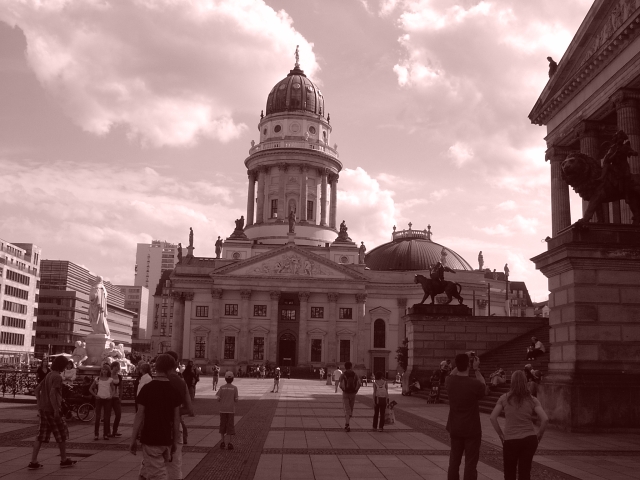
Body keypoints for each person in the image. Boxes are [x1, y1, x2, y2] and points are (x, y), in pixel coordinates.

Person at [130, 354, 182, 480]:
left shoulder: (147, 389)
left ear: (156, 368)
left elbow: (139, 415)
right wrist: (175, 441)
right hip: (166, 438)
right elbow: (176, 420)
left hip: (150, 438)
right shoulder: (174, 391)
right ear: (171, 369)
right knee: (150, 469)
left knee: (157, 474)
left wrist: (133, 439)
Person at [490, 371, 549, 480]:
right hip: (529, 439)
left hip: (510, 439)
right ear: (525, 382)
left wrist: (501, 435)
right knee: (525, 472)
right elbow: (545, 419)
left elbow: (493, 417)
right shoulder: (532, 399)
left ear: (512, 382)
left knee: (509, 472)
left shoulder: (504, 398)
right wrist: (539, 434)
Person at [28, 355, 77, 470]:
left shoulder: (49, 374)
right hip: (52, 410)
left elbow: (37, 389)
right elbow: (52, 394)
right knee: (61, 434)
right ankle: (64, 459)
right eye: (65, 365)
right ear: (62, 365)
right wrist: (56, 410)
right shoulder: (57, 377)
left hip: (44, 409)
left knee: (40, 436)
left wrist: (39, 404)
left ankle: (33, 461)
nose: (66, 367)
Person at [445, 353, 488, 480]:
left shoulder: (450, 381)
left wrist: (461, 361)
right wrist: (476, 369)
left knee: (454, 462)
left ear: (456, 366)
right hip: (472, 429)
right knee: (470, 463)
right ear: (469, 365)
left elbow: (452, 374)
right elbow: (484, 386)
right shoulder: (474, 384)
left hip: (455, 427)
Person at [164, 350, 194, 475]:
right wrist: (175, 411)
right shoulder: (180, 382)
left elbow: (142, 411)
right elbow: (189, 409)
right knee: (175, 466)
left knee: (149, 467)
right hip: (176, 428)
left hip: (155, 427)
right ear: (176, 363)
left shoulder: (151, 381)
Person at [89, 364, 114, 440]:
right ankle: (96, 434)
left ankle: (105, 434)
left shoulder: (110, 379)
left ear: (108, 371)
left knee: (106, 418)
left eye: (106, 370)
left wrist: (111, 396)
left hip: (107, 399)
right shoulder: (98, 379)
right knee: (98, 417)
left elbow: (113, 389)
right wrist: (95, 395)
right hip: (99, 399)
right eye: (103, 369)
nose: (104, 371)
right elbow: (90, 388)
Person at [217, 371, 239, 450]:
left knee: (222, 425)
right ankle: (229, 443)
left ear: (225, 379)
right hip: (231, 410)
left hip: (222, 409)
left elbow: (218, 398)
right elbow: (236, 400)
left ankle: (222, 442)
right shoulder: (235, 388)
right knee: (230, 425)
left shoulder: (222, 387)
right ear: (232, 379)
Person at [337, 362, 361, 432]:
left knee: (347, 409)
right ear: (351, 366)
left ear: (345, 367)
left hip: (345, 393)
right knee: (350, 409)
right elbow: (359, 383)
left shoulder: (343, 375)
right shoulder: (355, 374)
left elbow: (340, 385)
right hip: (353, 394)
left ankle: (347, 424)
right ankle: (347, 423)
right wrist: (356, 391)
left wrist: (343, 390)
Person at [110, 361, 123, 438]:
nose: (118, 368)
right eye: (116, 366)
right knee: (107, 415)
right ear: (113, 366)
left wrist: (121, 397)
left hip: (116, 397)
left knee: (118, 414)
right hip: (108, 397)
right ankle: (107, 431)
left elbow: (121, 387)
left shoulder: (119, 377)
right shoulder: (108, 375)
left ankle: (115, 430)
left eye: (118, 367)